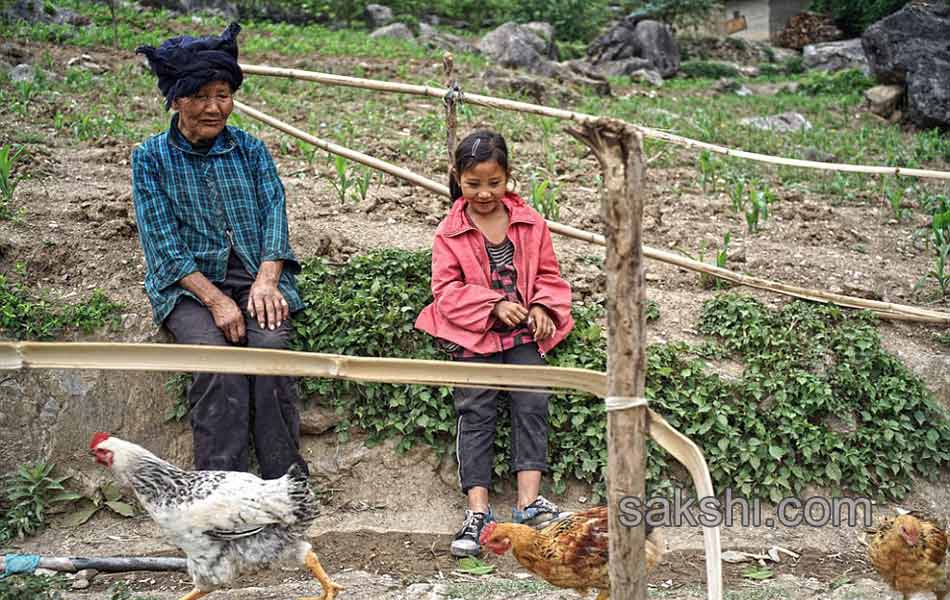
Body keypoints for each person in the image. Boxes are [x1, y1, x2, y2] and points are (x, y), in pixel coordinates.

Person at [131, 23, 308, 479]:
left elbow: (275, 211)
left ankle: (284, 483)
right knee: (217, 364)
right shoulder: (151, 158)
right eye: (201, 96)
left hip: (254, 273)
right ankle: (218, 485)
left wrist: (268, 279)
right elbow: (162, 243)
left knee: (271, 350)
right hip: (190, 287)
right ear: (176, 99)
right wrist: (215, 300)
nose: (215, 107)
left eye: (223, 94)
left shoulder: (250, 149)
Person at [415, 130, 575, 557]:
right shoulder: (450, 232)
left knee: (532, 399)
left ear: (508, 179)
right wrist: (491, 306)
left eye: (493, 183)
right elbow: (445, 291)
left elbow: (548, 275)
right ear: (457, 179)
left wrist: (541, 307)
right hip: (475, 335)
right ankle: (478, 511)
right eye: (473, 184)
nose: (484, 193)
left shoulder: (530, 222)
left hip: (522, 334)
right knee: (476, 410)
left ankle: (528, 502)